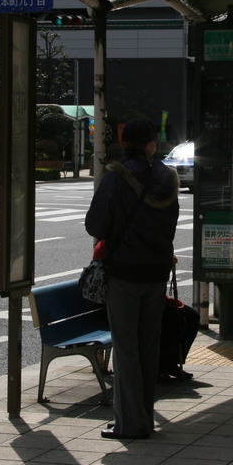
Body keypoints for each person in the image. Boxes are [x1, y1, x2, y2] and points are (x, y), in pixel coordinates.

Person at [85, 118, 179, 440]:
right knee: (148, 347)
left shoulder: (115, 178)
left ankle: (130, 424)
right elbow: (171, 223)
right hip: (156, 273)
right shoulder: (167, 177)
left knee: (126, 349)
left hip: (124, 272)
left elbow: (95, 225)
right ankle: (145, 417)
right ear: (152, 144)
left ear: (125, 144)